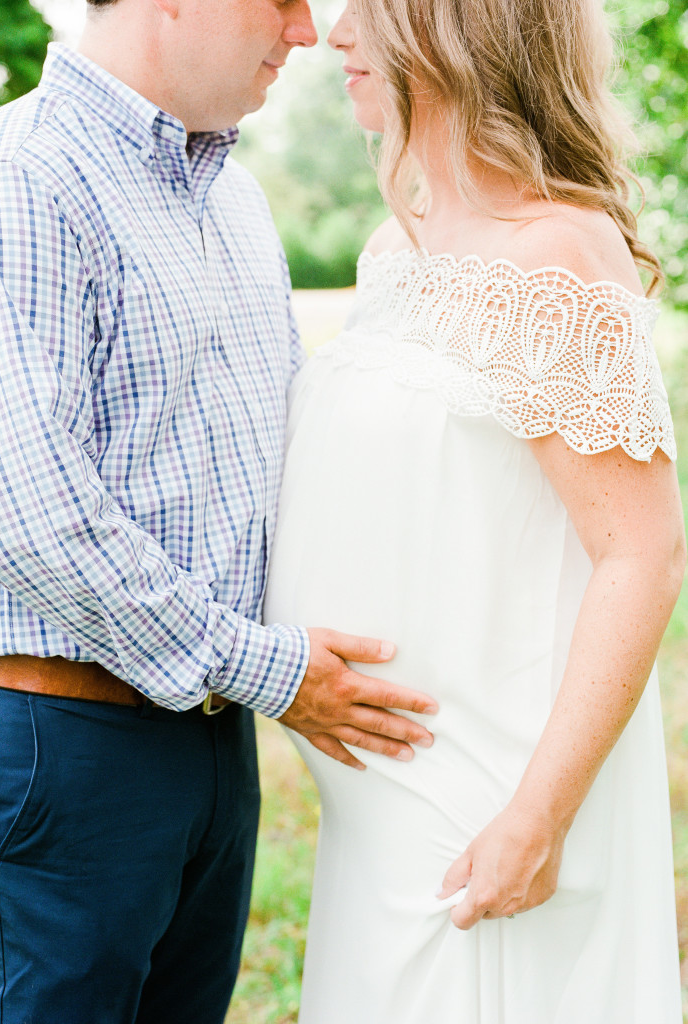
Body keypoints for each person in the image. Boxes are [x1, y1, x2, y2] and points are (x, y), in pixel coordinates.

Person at [0, 0, 440, 1021]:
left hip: (210, 742)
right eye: (285, 0)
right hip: (59, 743)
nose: (307, 32)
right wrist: (273, 669)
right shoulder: (14, 174)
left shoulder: (237, 201)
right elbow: (35, 516)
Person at [263, 0, 686, 1020]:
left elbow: (643, 553)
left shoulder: (552, 254)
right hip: (383, 817)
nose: (334, 37)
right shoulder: (397, 249)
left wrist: (536, 817)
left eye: (365, 10)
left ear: (454, 27)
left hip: (487, 813)